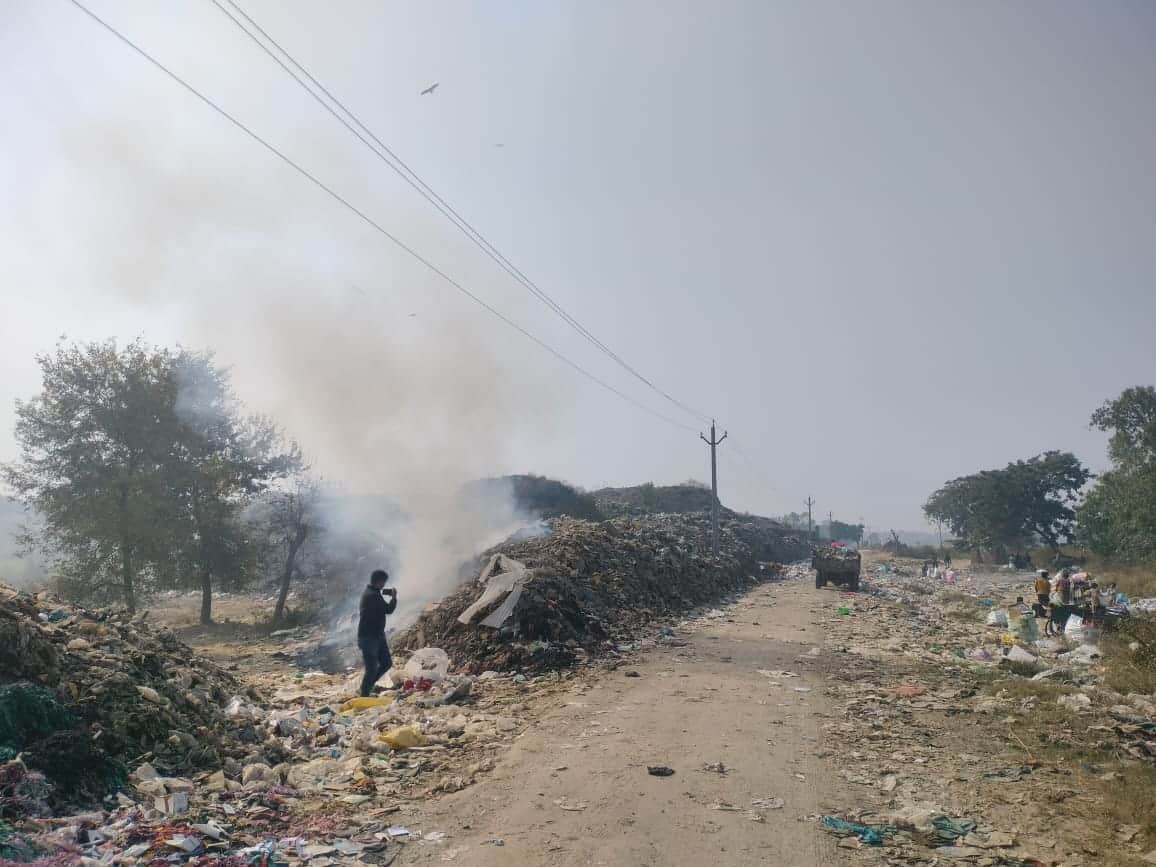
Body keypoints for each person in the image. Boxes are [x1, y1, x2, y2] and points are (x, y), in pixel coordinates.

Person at [357, 569, 398, 698]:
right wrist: (394, 598)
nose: (384, 585)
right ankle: (364, 695)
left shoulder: (373, 593)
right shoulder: (372, 595)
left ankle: (367, 687)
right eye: (383, 582)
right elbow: (388, 609)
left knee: (386, 663)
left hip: (377, 635)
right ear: (380, 581)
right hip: (369, 638)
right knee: (372, 668)